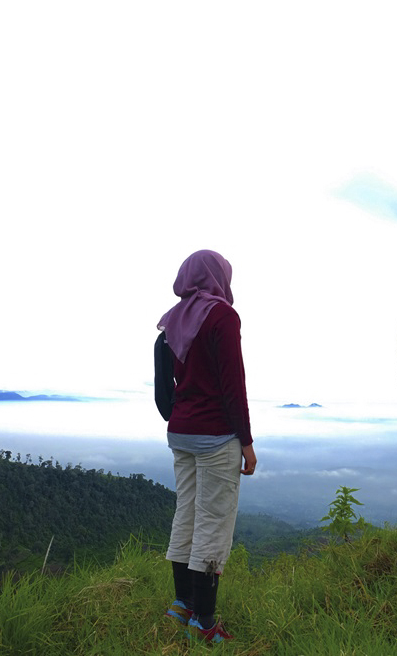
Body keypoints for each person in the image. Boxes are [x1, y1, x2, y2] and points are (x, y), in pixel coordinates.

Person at [157, 249, 257, 643]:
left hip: (180, 431)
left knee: (187, 514)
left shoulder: (173, 319)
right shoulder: (222, 316)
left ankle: (181, 604)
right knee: (213, 522)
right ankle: (204, 623)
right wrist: (246, 441)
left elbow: (168, 383)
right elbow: (234, 384)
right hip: (216, 434)